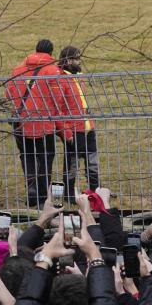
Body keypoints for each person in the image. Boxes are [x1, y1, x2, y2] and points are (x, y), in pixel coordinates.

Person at [6, 39, 67, 207]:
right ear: (51, 53)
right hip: (44, 122)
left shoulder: (18, 70)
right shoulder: (52, 70)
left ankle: (31, 187)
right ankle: (43, 193)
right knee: (46, 157)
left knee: (27, 156)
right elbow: (59, 98)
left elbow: (9, 94)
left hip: (21, 121)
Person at [56, 46, 99, 195]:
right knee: (72, 162)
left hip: (87, 126)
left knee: (92, 160)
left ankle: (95, 189)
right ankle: (68, 193)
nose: (79, 61)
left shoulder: (79, 76)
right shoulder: (61, 79)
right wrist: (66, 131)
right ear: (68, 60)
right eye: (77, 58)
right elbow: (58, 109)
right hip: (73, 128)